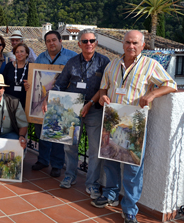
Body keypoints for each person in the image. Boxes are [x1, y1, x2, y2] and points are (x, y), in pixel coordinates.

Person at [91, 30, 176, 223]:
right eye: (128, 42)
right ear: (123, 44)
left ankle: (129, 208)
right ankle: (111, 195)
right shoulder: (112, 65)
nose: (131, 46)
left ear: (142, 46)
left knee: (132, 167)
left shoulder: (151, 65)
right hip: (113, 120)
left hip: (134, 123)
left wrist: (152, 95)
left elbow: (170, 84)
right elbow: (104, 87)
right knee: (111, 160)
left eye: (135, 43)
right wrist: (103, 96)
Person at [51, 30, 110, 199]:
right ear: (79, 44)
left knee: (94, 149)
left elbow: (104, 87)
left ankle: (92, 184)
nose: (88, 43)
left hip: (94, 111)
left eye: (91, 40)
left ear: (96, 43)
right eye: (85, 41)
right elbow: (60, 84)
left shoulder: (104, 62)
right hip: (72, 109)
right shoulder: (72, 62)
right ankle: (70, 176)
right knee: (70, 146)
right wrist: (52, 99)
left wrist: (90, 103)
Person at [30, 30, 77, 177]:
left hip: (61, 101)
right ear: (45, 43)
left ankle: (57, 164)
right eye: (48, 41)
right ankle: (43, 159)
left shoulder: (71, 57)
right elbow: (35, 78)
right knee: (42, 131)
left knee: (57, 132)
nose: (51, 43)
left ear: (60, 41)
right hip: (42, 99)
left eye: (54, 40)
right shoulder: (40, 58)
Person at [2, 43, 29, 108]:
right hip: (8, 101)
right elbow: (3, 82)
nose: (19, 54)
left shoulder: (31, 68)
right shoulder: (9, 66)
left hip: (24, 102)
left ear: (27, 53)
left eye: (22, 51)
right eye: (17, 52)